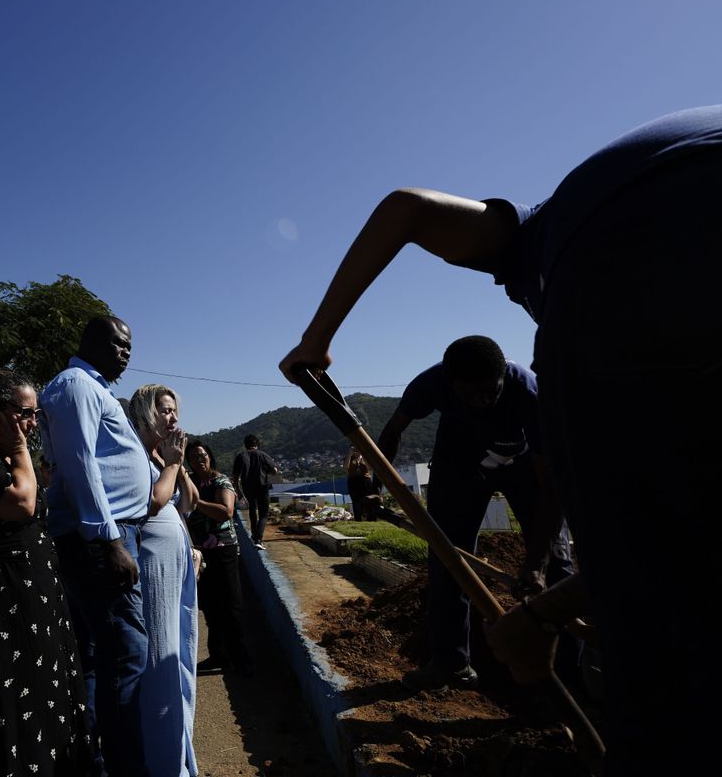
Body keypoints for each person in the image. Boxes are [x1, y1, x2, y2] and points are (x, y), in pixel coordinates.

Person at [278, 106, 722, 776]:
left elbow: (556, 494)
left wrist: (539, 585)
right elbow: (396, 425)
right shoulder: (444, 373)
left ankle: (610, 702)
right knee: (476, 554)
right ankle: (460, 659)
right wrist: (373, 466)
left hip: (585, 357)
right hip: (473, 457)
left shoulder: (541, 263)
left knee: (630, 567)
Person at [376, 336, 574, 690]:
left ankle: (568, 679)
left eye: (491, 391)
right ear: (451, 385)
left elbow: (552, 488)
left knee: (558, 566)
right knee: (447, 558)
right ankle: (450, 664)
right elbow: (392, 432)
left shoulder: (531, 394)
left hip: (528, 467)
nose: (483, 401)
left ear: (502, 377)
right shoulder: (431, 384)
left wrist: (535, 563)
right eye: (471, 395)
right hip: (461, 463)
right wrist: (374, 483)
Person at [0, 368, 94, 776]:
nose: (33, 424)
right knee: (20, 700)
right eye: (26, 413)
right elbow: (23, 504)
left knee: (50, 695)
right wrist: (20, 449)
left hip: (39, 601)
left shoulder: (6, 459)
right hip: (7, 604)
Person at [38, 315, 150, 777]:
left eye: (129, 346)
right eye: (117, 343)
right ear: (89, 343)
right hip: (101, 538)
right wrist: (107, 540)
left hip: (110, 533)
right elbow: (79, 462)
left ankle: (96, 762)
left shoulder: (95, 387)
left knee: (101, 659)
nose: (125, 352)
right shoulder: (74, 385)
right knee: (125, 656)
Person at [128, 385, 200, 777]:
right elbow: (151, 502)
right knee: (160, 664)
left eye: (175, 411)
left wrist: (176, 462)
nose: (173, 419)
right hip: (154, 571)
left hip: (177, 567)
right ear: (145, 411)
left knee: (181, 658)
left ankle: (180, 751)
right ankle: (163, 763)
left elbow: (184, 502)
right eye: (166, 411)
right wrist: (170, 464)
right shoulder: (132, 453)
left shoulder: (158, 456)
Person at [187, 441, 252, 676]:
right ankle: (218, 656)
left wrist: (197, 503)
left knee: (232, 605)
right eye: (194, 457)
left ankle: (242, 659)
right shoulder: (189, 483)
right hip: (199, 553)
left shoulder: (220, 480)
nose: (199, 460)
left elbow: (226, 511)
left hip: (223, 549)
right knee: (211, 607)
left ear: (210, 456)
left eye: (202, 455)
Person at [230, 434, 278, 549]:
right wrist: (268, 471)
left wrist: (238, 490)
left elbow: (235, 476)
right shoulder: (263, 455)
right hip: (262, 486)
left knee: (252, 510)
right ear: (256, 444)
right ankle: (258, 539)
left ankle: (254, 535)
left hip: (248, 487)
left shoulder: (240, 456)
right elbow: (274, 471)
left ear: (246, 445)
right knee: (263, 514)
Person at [344, 448, 381, 522]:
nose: (356, 451)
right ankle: (358, 519)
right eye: (354, 450)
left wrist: (363, 455)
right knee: (355, 500)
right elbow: (345, 468)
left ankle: (371, 518)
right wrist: (349, 454)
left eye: (357, 449)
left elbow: (369, 468)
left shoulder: (365, 458)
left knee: (369, 499)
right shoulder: (348, 458)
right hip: (353, 481)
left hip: (365, 480)